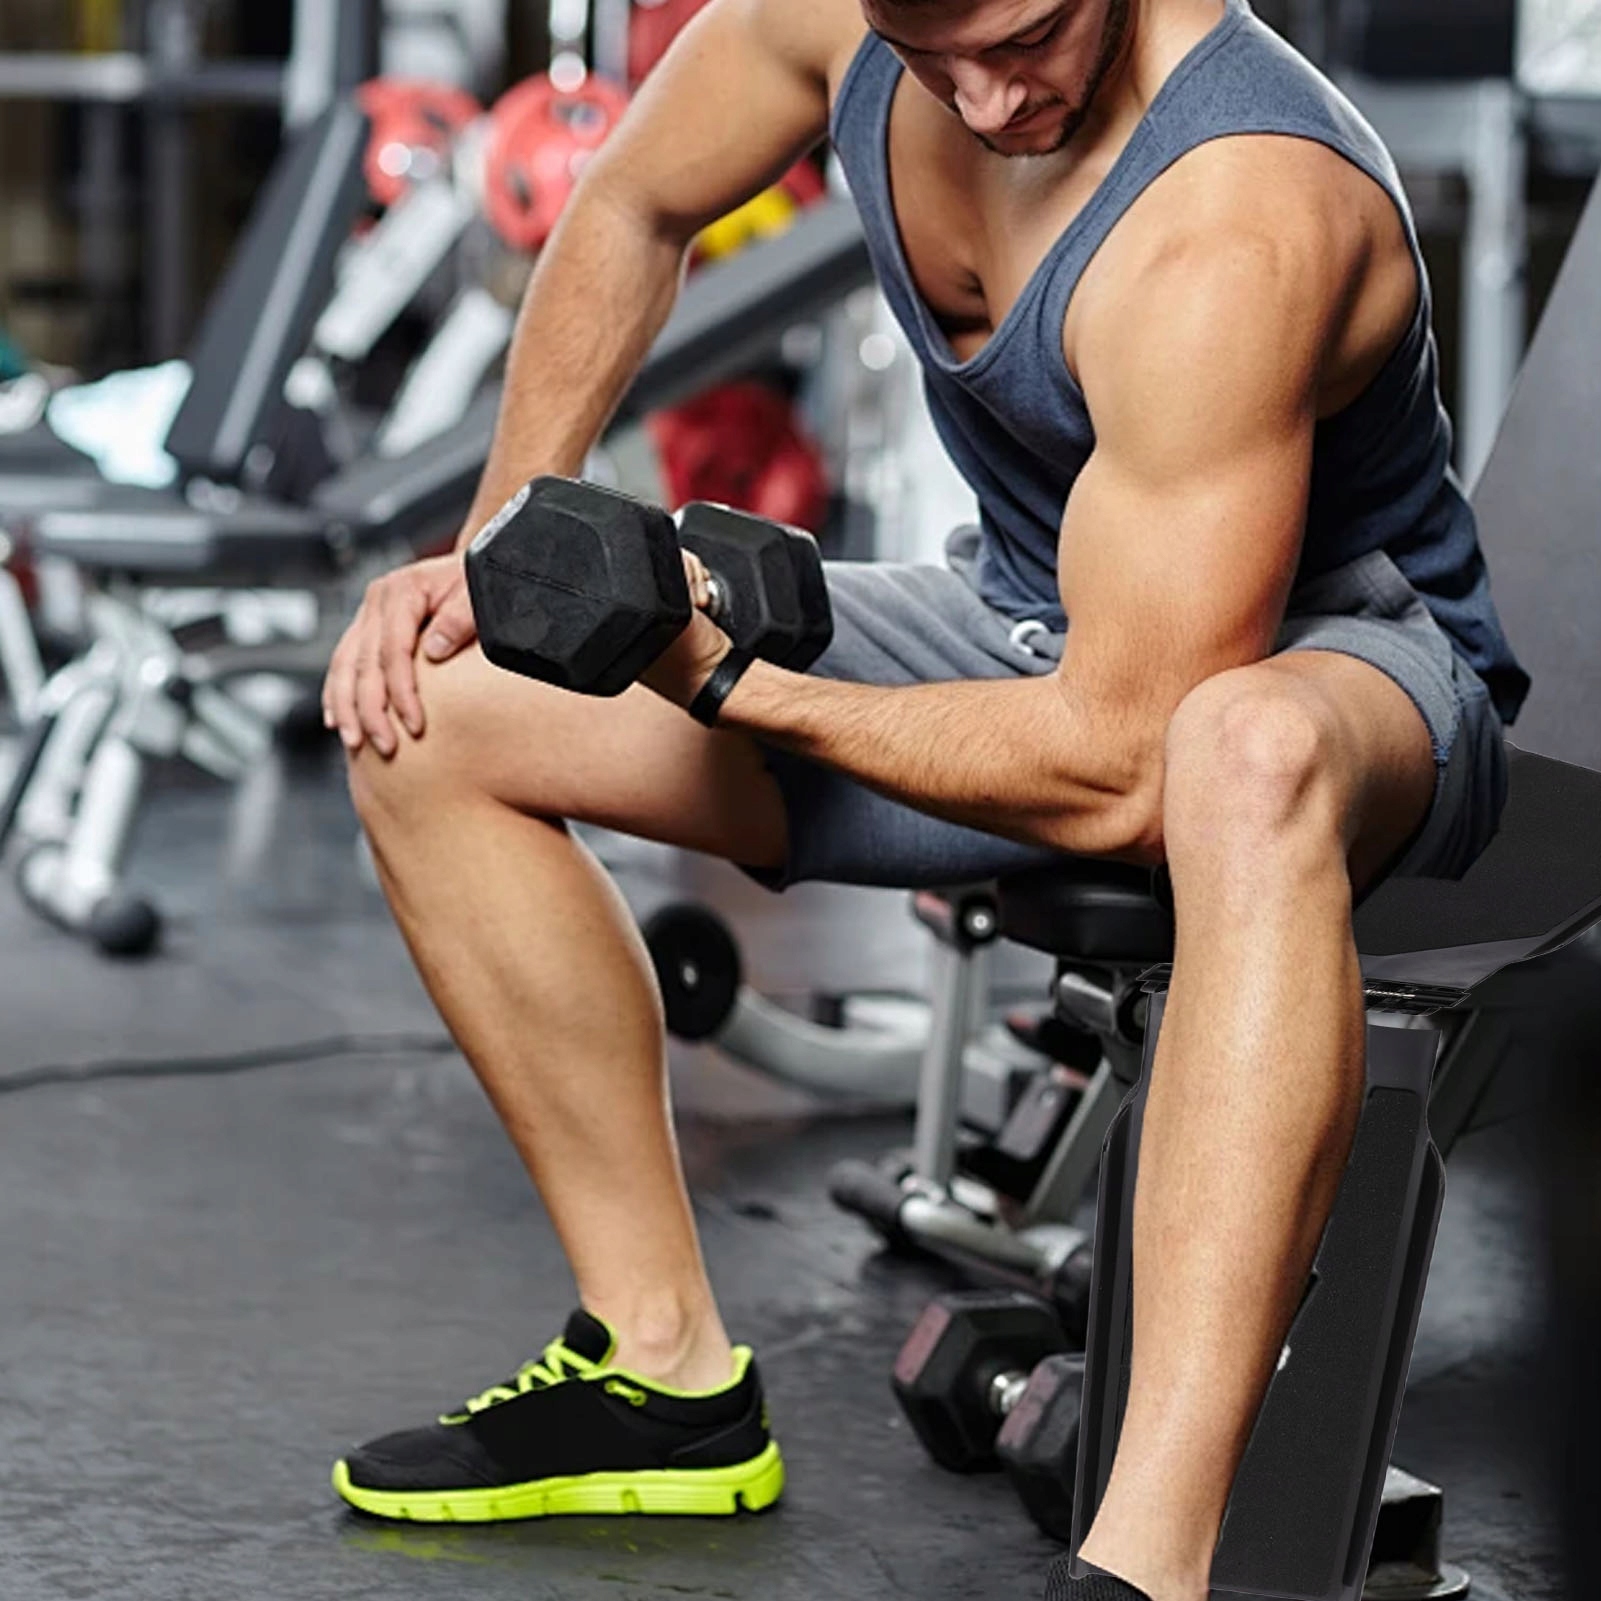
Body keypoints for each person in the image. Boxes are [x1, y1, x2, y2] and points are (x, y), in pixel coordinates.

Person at [320, 0, 1530, 1595]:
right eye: (929, 52)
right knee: (427, 712)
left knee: (1241, 752)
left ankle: (1146, 1562)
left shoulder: (1238, 210)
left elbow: (1125, 761)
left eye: (1025, 37)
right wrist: (506, 548)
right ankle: (661, 1367)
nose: (983, 99)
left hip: (1337, 673)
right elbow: (630, 201)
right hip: (1030, 618)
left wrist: (736, 683)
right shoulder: (836, 21)